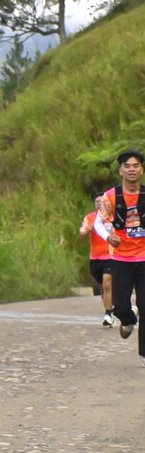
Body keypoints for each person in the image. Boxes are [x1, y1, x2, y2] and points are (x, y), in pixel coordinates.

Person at [94, 150, 145, 366]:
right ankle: (127, 319)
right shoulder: (111, 197)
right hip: (121, 259)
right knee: (121, 306)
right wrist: (108, 237)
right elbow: (98, 222)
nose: (132, 169)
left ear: (141, 169)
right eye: (127, 166)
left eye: (136, 165)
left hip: (144, 259)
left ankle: (144, 354)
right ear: (120, 170)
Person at [79, 194, 114, 327]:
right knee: (103, 288)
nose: (99, 203)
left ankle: (108, 314)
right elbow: (81, 234)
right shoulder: (90, 218)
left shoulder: (113, 217)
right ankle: (111, 309)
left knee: (107, 283)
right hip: (95, 257)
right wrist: (87, 230)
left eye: (101, 201)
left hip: (111, 256)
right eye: (97, 201)